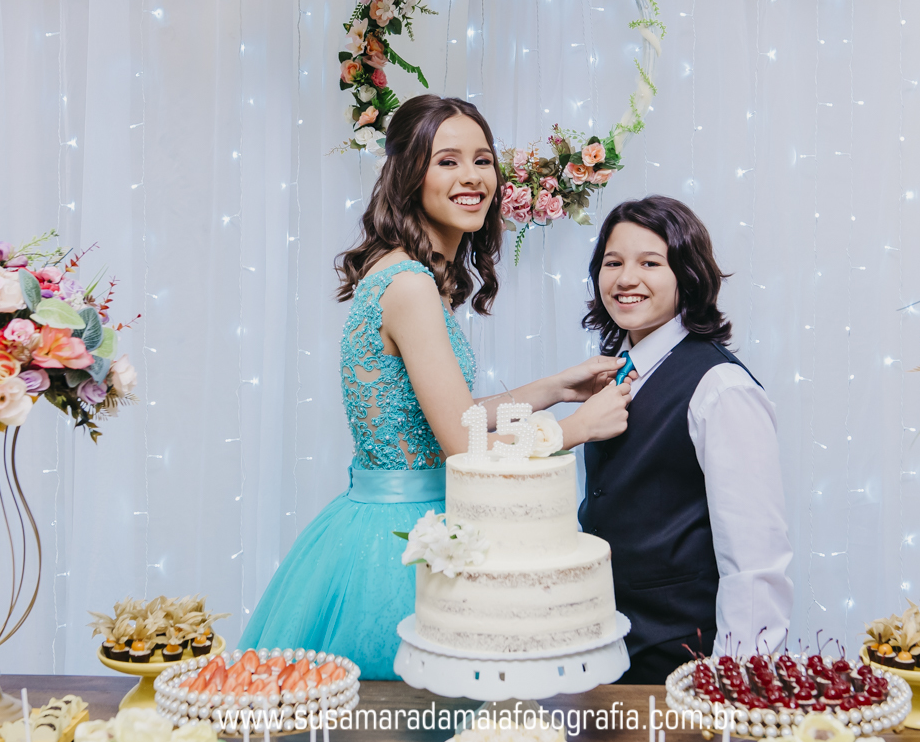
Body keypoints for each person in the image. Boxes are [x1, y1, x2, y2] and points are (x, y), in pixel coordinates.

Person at [240, 95, 633, 679]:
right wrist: (576, 429)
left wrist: (554, 387)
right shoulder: (411, 286)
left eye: (482, 160)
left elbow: (453, 413)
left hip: (386, 519)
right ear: (408, 174)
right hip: (398, 543)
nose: (472, 177)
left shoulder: (408, 273)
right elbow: (462, 446)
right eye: (447, 161)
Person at [578, 195, 794, 685]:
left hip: (683, 664)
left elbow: (755, 561)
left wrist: (733, 686)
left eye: (650, 263)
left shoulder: (722, 388)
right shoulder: (617, 374)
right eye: (612, 262)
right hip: (607, 650)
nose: (625, 279)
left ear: (687, 275)